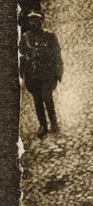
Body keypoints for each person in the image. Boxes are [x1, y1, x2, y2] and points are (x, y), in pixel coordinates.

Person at [20, 10, 63, 138]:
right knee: (37, 100)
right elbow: (21, 56)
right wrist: (22, 74)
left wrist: (58, 72)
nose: (33, 23)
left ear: (41, 21)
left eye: (35, 21)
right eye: (31, 21)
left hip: (47, 73)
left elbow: (57, 55)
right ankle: (43, 125)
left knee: (47, 97)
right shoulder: (26, 37)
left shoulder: (50, 36)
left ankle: (54, 123)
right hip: (33, 75)